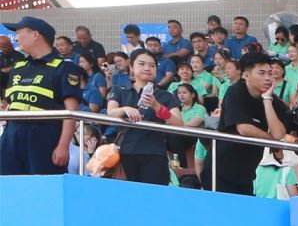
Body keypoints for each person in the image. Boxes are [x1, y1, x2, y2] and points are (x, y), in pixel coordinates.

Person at [1, 16, 82, 175]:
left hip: (44, 136)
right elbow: (9, 104)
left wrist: (63, 145)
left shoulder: (64, 67)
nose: (16, 38)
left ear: (35, 35)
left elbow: (71, 111)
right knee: (8, 184)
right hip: (12, 136)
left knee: (43, 185)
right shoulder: (18, 67)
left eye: (19, 33)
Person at [212, 51, 289, 195]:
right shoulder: (235, 91)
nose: (268, 78)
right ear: (246, 75)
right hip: (220, 170)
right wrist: (273, 143)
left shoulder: (273, 100)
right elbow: (244, 129)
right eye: (261, 73)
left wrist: (267, 100)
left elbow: (278, 134)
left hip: (247, 173)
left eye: (270, 73)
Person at [101, 49, 181, 185]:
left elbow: (178, 123)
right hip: (126, 152)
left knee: (153, 195)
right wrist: (125, 109)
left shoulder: (165, 95)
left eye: (152, 65)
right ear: (131, 67)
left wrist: (157, 107)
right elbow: (111, 112)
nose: (147, 68)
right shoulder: (120, 90)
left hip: (155, 153)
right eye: (142, 64)